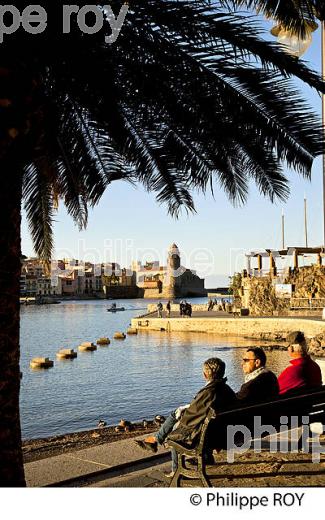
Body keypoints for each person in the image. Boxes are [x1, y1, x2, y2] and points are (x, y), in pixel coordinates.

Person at [135, 357, 237, 476]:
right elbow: (202, 408)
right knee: (178, 413)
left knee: (174, 428)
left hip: (209, 436)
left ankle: (173, 466)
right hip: (220, 431)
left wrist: (178, 421)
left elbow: (190, 418)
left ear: (205, 374)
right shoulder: (226, 389)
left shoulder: (209, 391)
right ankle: (156, 440)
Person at [278, 331, 322, 396]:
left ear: (291, 348)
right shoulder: (315, 367)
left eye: (287, 346)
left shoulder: (292, 371)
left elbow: (274, 391)